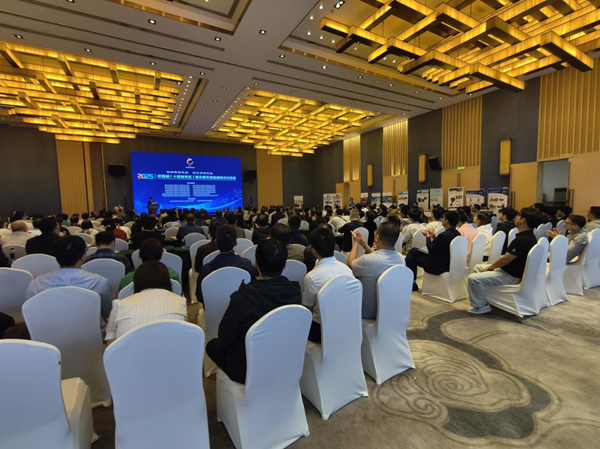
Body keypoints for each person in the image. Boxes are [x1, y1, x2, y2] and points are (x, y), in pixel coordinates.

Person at [205, 238, 301, 384]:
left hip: (247, 369)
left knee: (213, 345)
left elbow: (225, 337)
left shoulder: (241, 298)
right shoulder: (295, 291)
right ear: (285, 264)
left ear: (256, 263)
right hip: (284, 359)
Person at [467, 208, 541, 314]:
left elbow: (505, 259)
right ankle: (486, 297)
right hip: (512, 272)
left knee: (473, 279)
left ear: (523, 220)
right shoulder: (531, 237)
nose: (516, 218)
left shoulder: (521, 240)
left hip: (510, 276)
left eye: (519, 216)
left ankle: (481, 306)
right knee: (478, 267)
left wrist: (490, 268)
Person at [25, 235, 113, 318]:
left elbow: (31, 314)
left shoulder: (35, 284)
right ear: (83, 257)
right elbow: (107, 313)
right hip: (92, 329)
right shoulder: (100, 283)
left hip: (46, 328)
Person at [105, 261, 186, 343]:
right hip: (171, 350)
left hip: (129, 350)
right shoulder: (180, 301)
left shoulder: (119, 305)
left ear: (136, 282)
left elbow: (110, 342)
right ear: (167, 281)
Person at [303, 227, 353, 343]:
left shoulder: (311, 277)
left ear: (314, 251)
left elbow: (308, 311)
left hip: (321, 331)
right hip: (347, 326)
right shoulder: (347, 270)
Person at [347, 222, 405, 319]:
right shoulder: (401, 259)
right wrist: (364, 245)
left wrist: (356, 243)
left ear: (377, 237)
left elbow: (350, 264)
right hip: (390, 310)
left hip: (367, 312)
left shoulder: (368, 260)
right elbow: (378, 257)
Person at [196, 225, 256, 303]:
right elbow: (253, 289)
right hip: (242, 308)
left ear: (216, 242)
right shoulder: (246, 265)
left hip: (213, 310)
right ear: (236, 243)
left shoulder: (206, 270)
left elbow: (200, 297)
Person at [405, 211, 461, 292]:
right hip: (447, 262)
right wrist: (434, 237)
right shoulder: (457, 233)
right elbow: (441, 245)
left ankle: (411, 282)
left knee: (412, 256)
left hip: (436, 266)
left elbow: (431, 249)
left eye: (443, 218)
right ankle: (412, 282)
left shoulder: (443, 235)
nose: (442, 220)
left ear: (447, 221)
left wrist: (428, 237)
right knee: (413, 251)